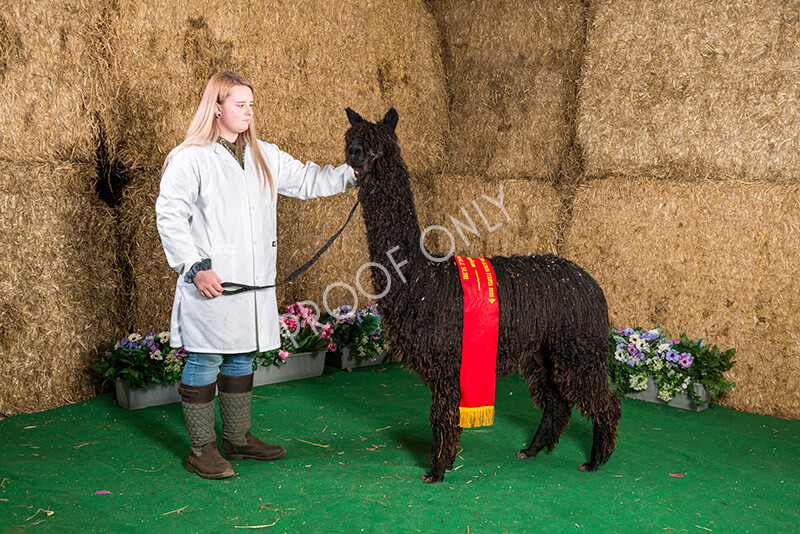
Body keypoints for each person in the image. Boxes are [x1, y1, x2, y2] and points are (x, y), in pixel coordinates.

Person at [156, 71, 355, 479]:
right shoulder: (190, 157)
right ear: (216, 108)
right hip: (211, 281)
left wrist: (356, 172)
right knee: (206, 356)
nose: (248, 112)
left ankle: (237, 438)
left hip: (253, 281)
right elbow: (170, 214)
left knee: (242, 354)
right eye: (239, 104)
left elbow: (309, 180)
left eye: (251, 104)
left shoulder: (265, 153)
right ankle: (201, 450)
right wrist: (194, 268)